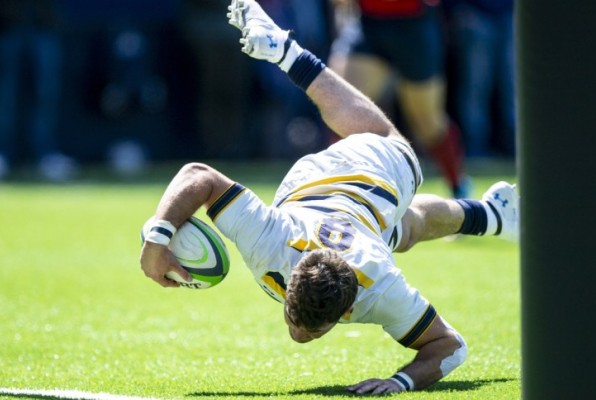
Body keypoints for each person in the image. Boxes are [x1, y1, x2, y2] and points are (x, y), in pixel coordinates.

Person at [139, 0, 519, 394]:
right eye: (295, 318)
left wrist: (399, 381)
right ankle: (287, 53)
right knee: (397, 189)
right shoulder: (271, 241)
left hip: (350, 178)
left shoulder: (379, 286)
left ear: (348, 309)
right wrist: (157, 238)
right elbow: (197, 175)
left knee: (396, 190)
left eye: (307, 327)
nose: (298, 336)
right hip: (346, 181)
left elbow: (452, 347)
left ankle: (491, 213)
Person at [328, 0, 470, 197]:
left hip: (414, 25)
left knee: (427, 123)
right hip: (369, 24)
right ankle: (335, 190)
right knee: (343, 108)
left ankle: (458, 184)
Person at [0, 0, 77, 181]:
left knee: (46, 96)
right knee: (6, 97)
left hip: (44, 25)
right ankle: (3, 153)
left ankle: (46, 154)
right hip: (8, 26)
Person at [445, 0, 515, 158]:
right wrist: (458, 9)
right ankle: (475, 148)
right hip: (475, 14)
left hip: (510, 15)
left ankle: (515, 147)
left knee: (513, 87)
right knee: (475, 87)